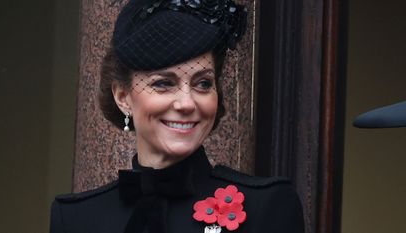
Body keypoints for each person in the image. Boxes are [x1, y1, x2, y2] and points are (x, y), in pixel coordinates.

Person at [49, 0, 305, 233]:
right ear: (123, 96)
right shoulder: (76, 218)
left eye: (203, 84)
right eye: (163, 84)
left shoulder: (265, 207)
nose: (186, 103)